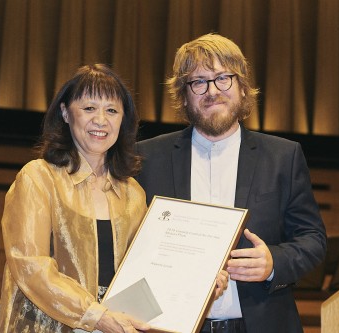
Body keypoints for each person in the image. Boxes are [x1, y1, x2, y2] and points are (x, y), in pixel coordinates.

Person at [135, 33, 327, 333]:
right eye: (199, 82)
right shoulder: (148, 158)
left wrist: (273, 262)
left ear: (242, 87)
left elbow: (312, 239)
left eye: (223, 78)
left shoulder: (283, 156)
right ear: (184, 95)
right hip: (170, 327)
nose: (212, 91)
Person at [0, 64, 151, 333]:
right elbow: (30, 265)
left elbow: (147, 268)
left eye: (112, 110)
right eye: (89, 108)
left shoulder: (133, 193)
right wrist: (96, 316)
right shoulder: (39, 178)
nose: (101, 120)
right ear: (66, 113)